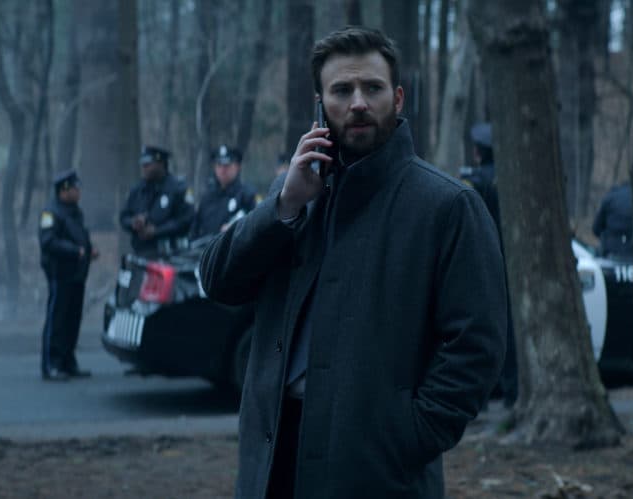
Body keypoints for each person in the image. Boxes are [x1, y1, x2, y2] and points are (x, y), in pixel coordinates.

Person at [199, 27, 507, 498]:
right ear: (320, 103)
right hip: (271, 463)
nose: (358, 102)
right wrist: (283, 204)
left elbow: (476, 347)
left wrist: (407, 436)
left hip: (378, 472)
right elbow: (218, 280)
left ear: (398, 98)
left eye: (373, 88)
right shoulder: (299, 197)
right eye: (342, 90)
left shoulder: (447, 207)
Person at [461, 122, 517, 409]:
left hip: (483, 262)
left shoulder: (475, 181)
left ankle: (481, 399)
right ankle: (512, 393)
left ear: (480, 152)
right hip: (511, 261)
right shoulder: (510, 179)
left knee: (480, 331)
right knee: (508, 330)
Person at [39, 169, 99, 381]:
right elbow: (48, 242)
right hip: (59, 273)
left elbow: (79, 236)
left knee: (72, 319)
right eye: (75, 188)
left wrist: (88, 249)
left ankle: (67, 361)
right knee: (57, 319)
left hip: (76, 274)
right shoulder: (51, 212)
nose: (78, 191)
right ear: (64, 190)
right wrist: (75, 251)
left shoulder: (75, 211)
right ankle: (51, 364)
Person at [119, 146, 195, 256]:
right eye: (143, 164)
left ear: (161, 163)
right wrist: (133, 222)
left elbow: (186, 220)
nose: (144, 167)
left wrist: (157, 231)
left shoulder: (179, 189)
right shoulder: (137, 190)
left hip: (172, 254)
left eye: (148, 164)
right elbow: (123, 217)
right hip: (141, 252)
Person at [189, 145, 260, 240]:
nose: (222, 170)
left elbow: (258, 226)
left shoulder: (248, 195)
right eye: (219, 165)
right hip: (205, 250)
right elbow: (195, 231)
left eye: (227, 165)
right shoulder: (207, 197)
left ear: (237, 167)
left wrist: (237, 229)